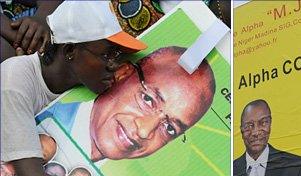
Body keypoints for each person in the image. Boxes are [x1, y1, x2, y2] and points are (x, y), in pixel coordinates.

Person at [1, 1, 200, 176]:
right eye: (107, 55)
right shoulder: (14, 80)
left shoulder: (91, 85)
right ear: (71, 50)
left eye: (120, 56)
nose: (115, 66)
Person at [38, 46, 215, 163]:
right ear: (123, 74)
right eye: (148, 100)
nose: (144, 131)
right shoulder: (40, 121)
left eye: (170, 129)